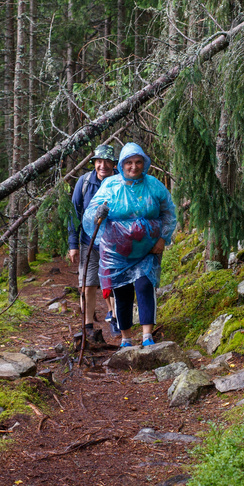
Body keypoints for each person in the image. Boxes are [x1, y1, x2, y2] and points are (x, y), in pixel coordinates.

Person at [84, 142, 177, 348]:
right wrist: (98, 214)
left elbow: (169, 212)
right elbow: (90, 212)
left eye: (138, 162)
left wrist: (163, 238)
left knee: (145, 286)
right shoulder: (111, 185)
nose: (133, 167)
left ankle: (147, 335)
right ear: (122, 165)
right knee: (122, 291)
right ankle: (126, 338)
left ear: (144, 163)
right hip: (118, 253)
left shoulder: (153, 185)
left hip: (147, 250)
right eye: (129, 163)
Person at [68, 145, 119, 344]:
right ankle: (88, 325)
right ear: (94, 163)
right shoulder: (84, 182)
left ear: (113, 164)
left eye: (107, 161)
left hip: (115, 243)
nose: (103, 165)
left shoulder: (120, 182)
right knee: (88, 284)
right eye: (99, 161)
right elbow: (74, 215)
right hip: (88, 243)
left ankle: (115, 318)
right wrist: (73, 244)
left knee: (115, 282)